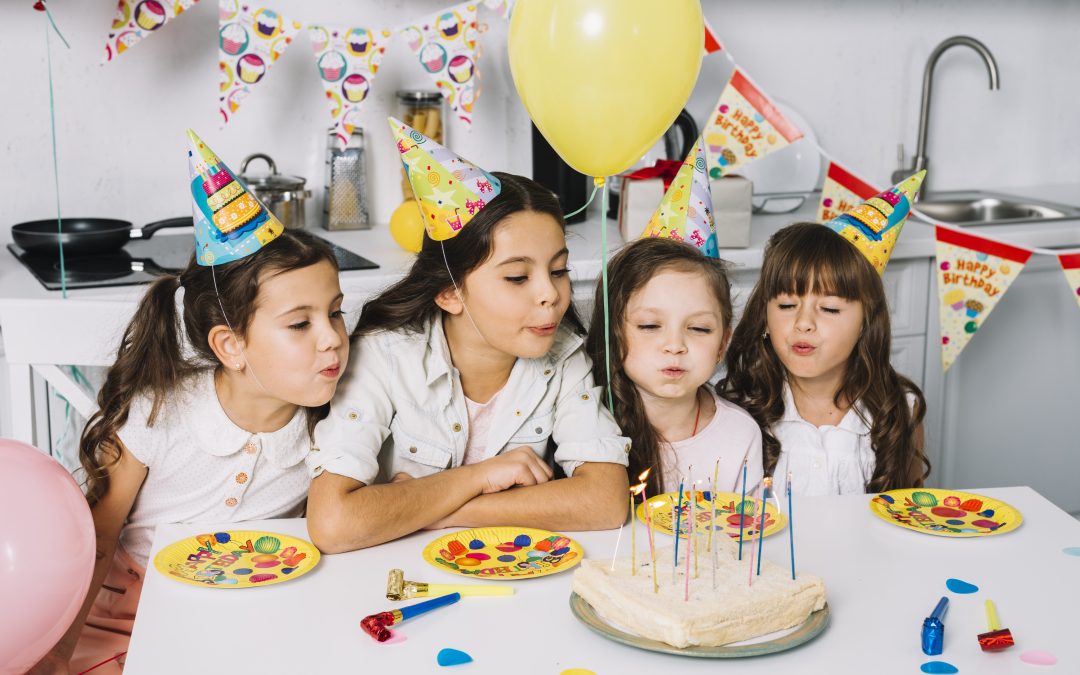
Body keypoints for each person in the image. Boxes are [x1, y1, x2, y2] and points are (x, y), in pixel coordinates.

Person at [33, 131, 349, 674]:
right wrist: (57, 656)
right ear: (230, 346)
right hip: (117, 614)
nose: (332, 338)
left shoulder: (337, 425)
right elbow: (100, 540)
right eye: (300, 323)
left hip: (237, 615)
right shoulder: (156, 413)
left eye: (336, 312)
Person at [306, 118, 630, 553]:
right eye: (517, 277)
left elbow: (606, 502)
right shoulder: (384, 357)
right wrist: (479, 478)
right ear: (449, 292)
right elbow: (333, 523)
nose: (550, 295)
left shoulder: (563, 356)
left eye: (559, 270)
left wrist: (439, 508)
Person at [721, 172, 929, 497]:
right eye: (787, 305)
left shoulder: (900, 409)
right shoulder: (740, 406)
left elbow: (912, 511)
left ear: (866, 320)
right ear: (764, 315)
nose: (804, 323)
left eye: (829, 309)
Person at [586, 138, 763, 497]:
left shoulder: (741, 436)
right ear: (612, 330)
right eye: (650, 325)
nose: (675, 346)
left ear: (723, 343)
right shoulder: (585, 424)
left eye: (699, 328)